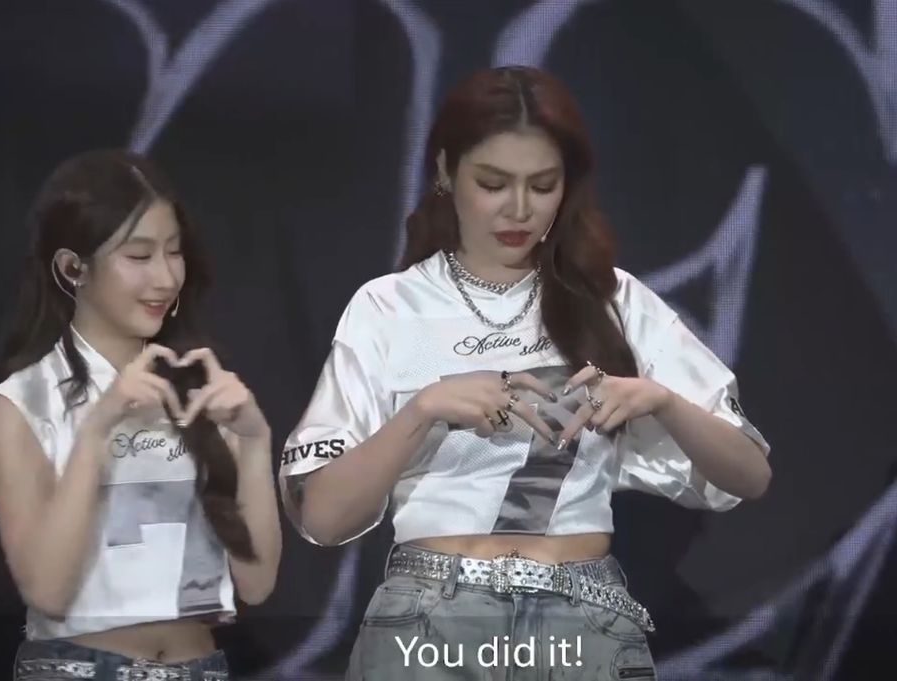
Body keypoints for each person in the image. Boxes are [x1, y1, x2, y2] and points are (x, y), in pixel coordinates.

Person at [278, 66, 771, 680]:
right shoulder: (388, 306)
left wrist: (663, 401)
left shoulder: (615, 301)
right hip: (429, 624)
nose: (518, 209)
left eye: (542, 185)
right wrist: (424, 409)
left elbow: (750, 475)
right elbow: (323, 518)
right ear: (445, 171)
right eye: (492, 183)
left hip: (585, 622)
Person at [0, 150, 281, 680]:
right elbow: (46, 590)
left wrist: (254, 443)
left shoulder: (201, 389)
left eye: (174, 252)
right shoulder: (22, 404)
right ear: (73, 268)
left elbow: (257, 583)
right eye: (139, 256)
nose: (165, 276)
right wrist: (97, 430)